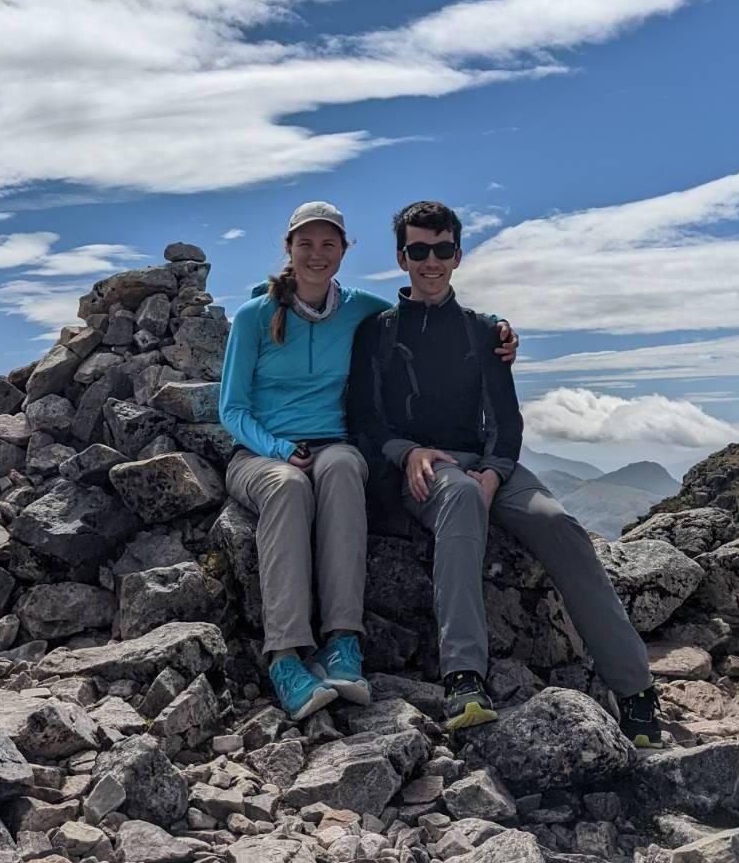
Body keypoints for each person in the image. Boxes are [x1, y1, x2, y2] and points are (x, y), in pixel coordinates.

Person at [347, 199, 663, 745]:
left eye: (442, 250)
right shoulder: (376, 331)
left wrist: (494, 472)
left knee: (558, 523)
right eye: (419, 250)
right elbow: (364, 418)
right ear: (401, 258)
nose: (431, 261)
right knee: (462, 500)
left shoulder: (484, 332)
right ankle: (464, 679)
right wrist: (408, 452)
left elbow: (506, 418)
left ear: (458, 255)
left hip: (487, 463)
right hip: (419, 466)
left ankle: (636, 690)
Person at [219, 201, 517, 721]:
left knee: (343, 468)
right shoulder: (255, 317)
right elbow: (232, 408)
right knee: (288, 486)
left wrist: (498, 328)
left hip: (333, 443)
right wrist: (280, 450)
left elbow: (427, 310)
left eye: (328, 244)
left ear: (343, 251)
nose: (317, 254)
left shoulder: (359, 309)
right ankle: (286, 657)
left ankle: (343, 644)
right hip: (263, 450)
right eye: (306, 243)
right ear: (288, 248)